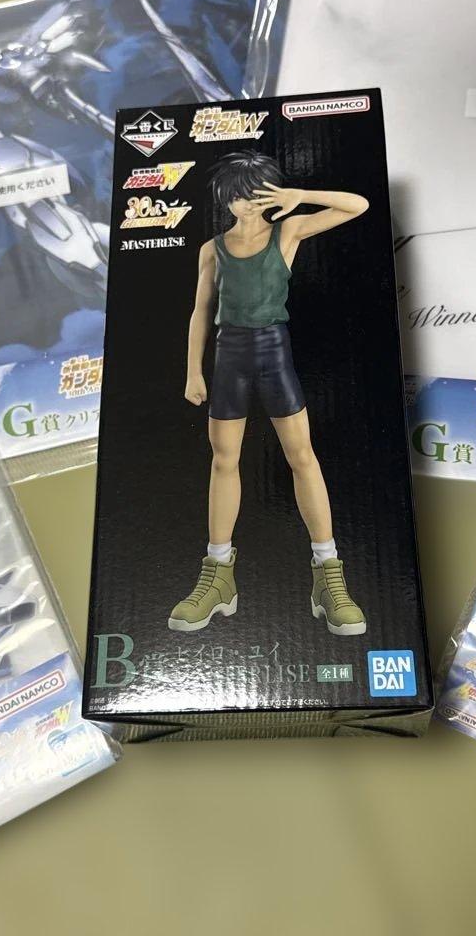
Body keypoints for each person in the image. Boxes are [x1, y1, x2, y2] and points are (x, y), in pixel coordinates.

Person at [171, 150, 369, 636]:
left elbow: (358, 205)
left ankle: (328, 574)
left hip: (273, 353)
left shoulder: (288, 231)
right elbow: (200, 311)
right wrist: (193, 371)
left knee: (302, 456)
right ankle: (218, 575)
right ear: (224, 199)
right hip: (229, 357)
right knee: (223, 460)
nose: (245, 203)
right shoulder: (212, 249)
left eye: (254, 194)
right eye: (237, 195)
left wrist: (301, 195)